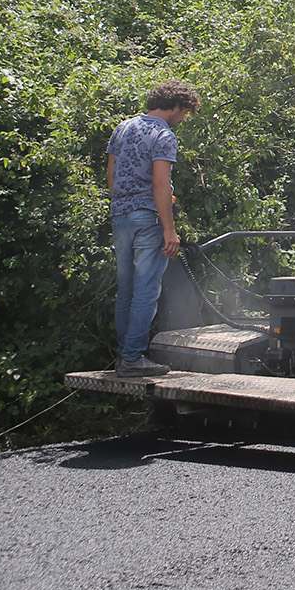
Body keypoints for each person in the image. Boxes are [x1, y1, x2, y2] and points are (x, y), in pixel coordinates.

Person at [107, 80, 200, 376]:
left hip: (120, 216)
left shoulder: (122, 128)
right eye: (184, 112)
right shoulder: (163, 134)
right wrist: (169, 229)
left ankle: (125, 355)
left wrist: (123, 205)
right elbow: (161, 182)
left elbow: (111, 174)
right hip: (148, 217)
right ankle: (133, 359)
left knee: (126, 290)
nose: (183, 118)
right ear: (175, 107)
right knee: (147, 290)